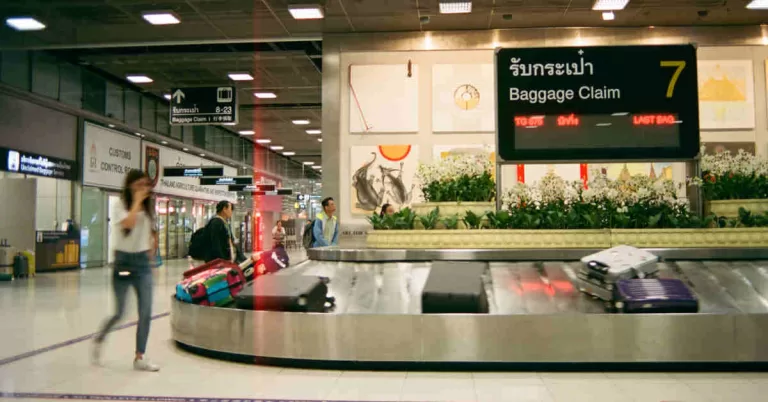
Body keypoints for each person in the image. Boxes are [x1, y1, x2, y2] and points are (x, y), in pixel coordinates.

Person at [93, 169, 159, 372]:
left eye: (145, 186)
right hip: (123, 263)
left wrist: (152, 249)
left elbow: (150, 231)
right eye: (139, 185)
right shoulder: (118, 205)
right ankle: (100, 338)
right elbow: (128, 224)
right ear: (130, 186)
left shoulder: (149, 208)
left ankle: (140, 356)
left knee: (146, 311)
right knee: (120, 312)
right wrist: (138, 201)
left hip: (142, 265)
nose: (143, 189)